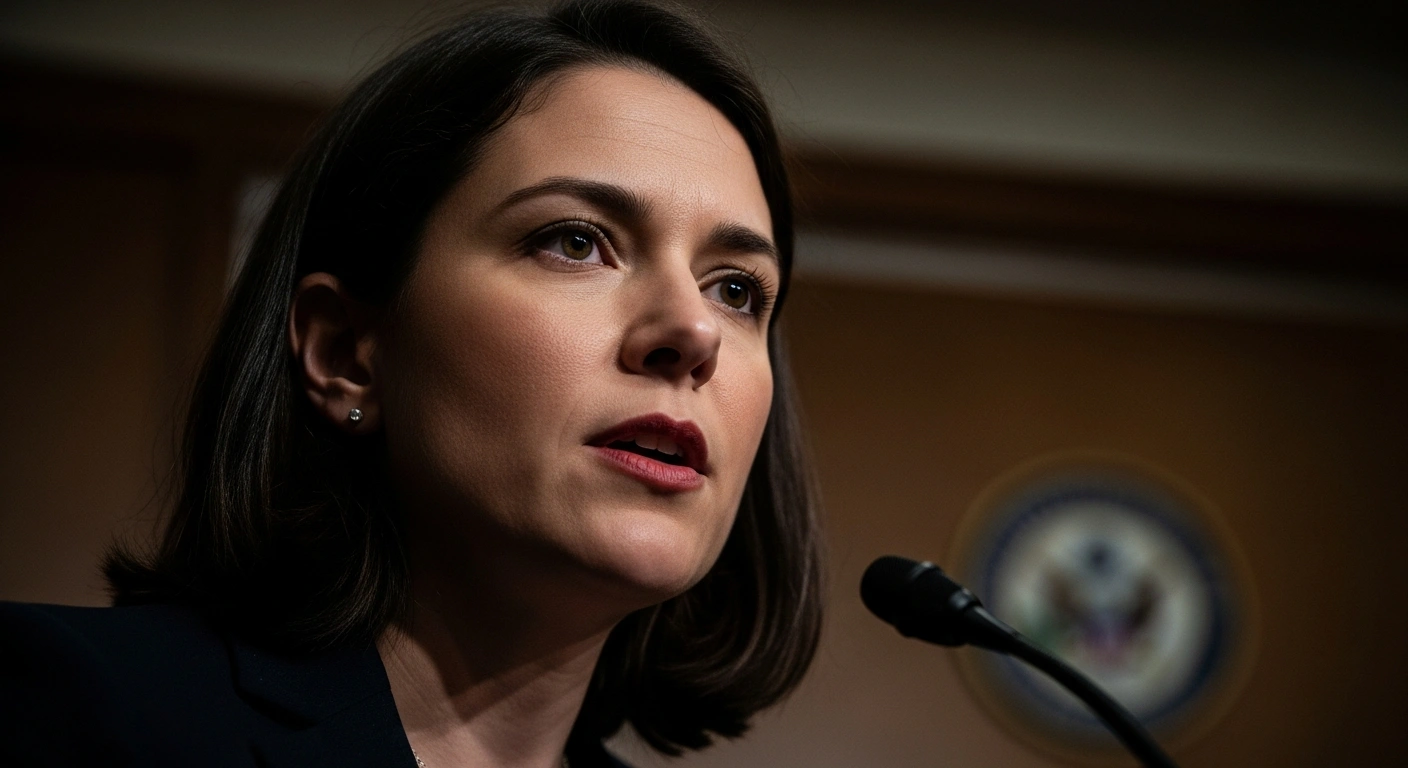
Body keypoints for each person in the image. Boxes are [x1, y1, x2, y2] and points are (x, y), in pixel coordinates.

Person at [0, 1, 824, 766]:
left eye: (736, 288)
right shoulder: (71, 713)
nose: (693, 331)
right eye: (576, 242)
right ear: (345, 351)